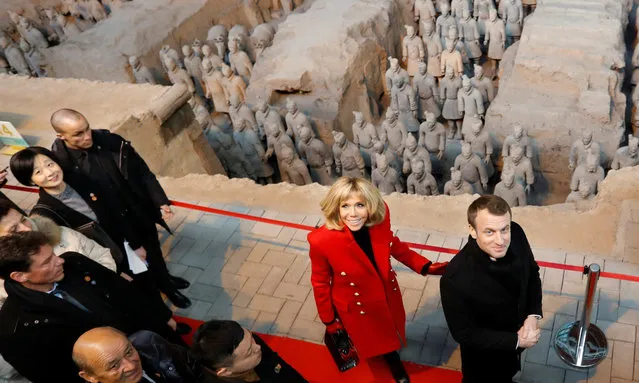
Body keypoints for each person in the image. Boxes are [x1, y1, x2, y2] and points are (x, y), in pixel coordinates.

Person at [9, 147, 189, 310]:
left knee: (150, 273)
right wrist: (111, 271)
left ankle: (169, 293)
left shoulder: (80, 179)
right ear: (30, 181)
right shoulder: (46, 213)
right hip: (108, 258)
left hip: (126, 241)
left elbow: (116, 210)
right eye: (38, 172)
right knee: (139, 292)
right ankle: (163, 317)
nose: (49, 173)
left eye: (50, 164)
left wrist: (135, 244)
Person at [307, 177, 448, 383]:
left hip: (384, 293)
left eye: (359, 205)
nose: (353, 213)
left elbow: (391, 243)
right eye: (345, 206)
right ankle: (384, 354)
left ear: (370, 206)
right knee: (369, 336)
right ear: (335, 207)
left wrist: (424, 265)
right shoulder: (321, 240)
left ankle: (392, 358)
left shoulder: (380, 220)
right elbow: (319, 283)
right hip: (356, 304)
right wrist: (329, 320)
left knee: (388, 332)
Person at [49, 108, 191, 308]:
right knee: (138, 266)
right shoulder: (62, 165)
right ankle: (160, 292)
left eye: (87, 128)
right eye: (78, 134)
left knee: (153, 250)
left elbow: (142, 172)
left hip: (138, 211)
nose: (87, 136)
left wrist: (159, 200)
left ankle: (165, 281)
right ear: (61, 136)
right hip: (112, 225)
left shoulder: (110, 142)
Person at [0, 232, 186, 383]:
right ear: (19, 276)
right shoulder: (14, 330)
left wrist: (163, 317)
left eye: (54, 254)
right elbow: (53, 377)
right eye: (47, 262)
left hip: (154, 345)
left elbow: (127, 294)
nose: (60, 261)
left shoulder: (75, 263)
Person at [440, 195, 543, 383]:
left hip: (515, 345)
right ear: (472, 230)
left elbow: (532, 273)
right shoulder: (455, 278)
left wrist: (532, 316)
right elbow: (464, 333)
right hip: (484, 360)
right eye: (489, 232)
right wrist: (517, 341)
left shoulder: (517, 233)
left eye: (505, 229)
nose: (500, 240)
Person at [0, 199, 117, 303]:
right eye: (14, 229)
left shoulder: (62, 234)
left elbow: (101, 255)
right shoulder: (4, 290)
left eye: (23, 220)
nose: (27, 228)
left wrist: (104, 290)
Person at [190, 319, 308, 383]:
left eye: (252, 338)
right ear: (225, 372)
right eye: (249, 353)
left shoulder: (249, 343)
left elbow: (280, 366)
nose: (258, 347)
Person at [73, 327, 199, 383]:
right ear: (90, 377)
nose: (131, 366)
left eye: (129, 351)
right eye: (114, 365)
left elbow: (193, 365)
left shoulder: (149, 342)